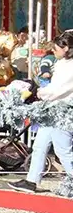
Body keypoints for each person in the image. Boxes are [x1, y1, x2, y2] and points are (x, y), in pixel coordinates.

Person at [11, 31, 73, 193]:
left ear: (66, 48)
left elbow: (58, 90)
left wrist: (39, 92)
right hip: (51, 110)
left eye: (56, 48)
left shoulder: (71, 67)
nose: (53, 51)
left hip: (62, 112)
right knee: (39, 146)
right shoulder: (62, 64)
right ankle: (31, 181)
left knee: (63, 150)